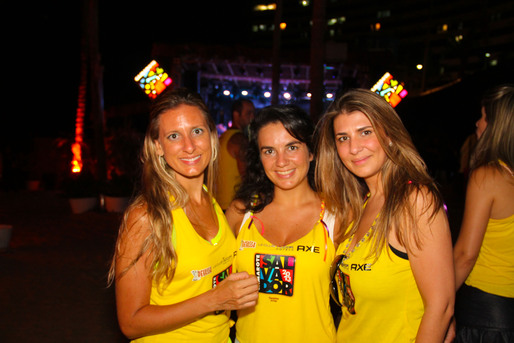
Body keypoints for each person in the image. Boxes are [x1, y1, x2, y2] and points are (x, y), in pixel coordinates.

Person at [108, 88, 259, 342]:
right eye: (174, 136)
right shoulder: (146, 216)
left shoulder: (212, 203)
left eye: (197, 131)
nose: (189, 146)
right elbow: (131, 322)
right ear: (158, 146)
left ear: (212, 137)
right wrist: (214, 299)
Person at [315, 88, 454, 342]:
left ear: (389, 135)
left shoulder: (414, 201)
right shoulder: (360, 204)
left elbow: (441, 307)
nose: (354, 148)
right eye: (342, 138)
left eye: (365, 132)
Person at [225, 105, 337, 343]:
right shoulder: (239, 213)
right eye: (269, 151)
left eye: (292, 147)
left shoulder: (338, 216)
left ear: (311, 152)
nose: (281, 161)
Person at [453, 85, 514, 342]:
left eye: (482, 116)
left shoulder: (488, 175)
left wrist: (438, 302)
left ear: (495, 125)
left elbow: (466, 254)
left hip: (486, 313)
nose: (477, 124)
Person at [215, 99, 255, 210]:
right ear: (236, 115)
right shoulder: (239, 139)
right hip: (233, 206)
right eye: (248, 113)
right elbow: (246, 176)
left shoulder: (222, 137)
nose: (252, 117)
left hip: (219, 204)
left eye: (253, 113)